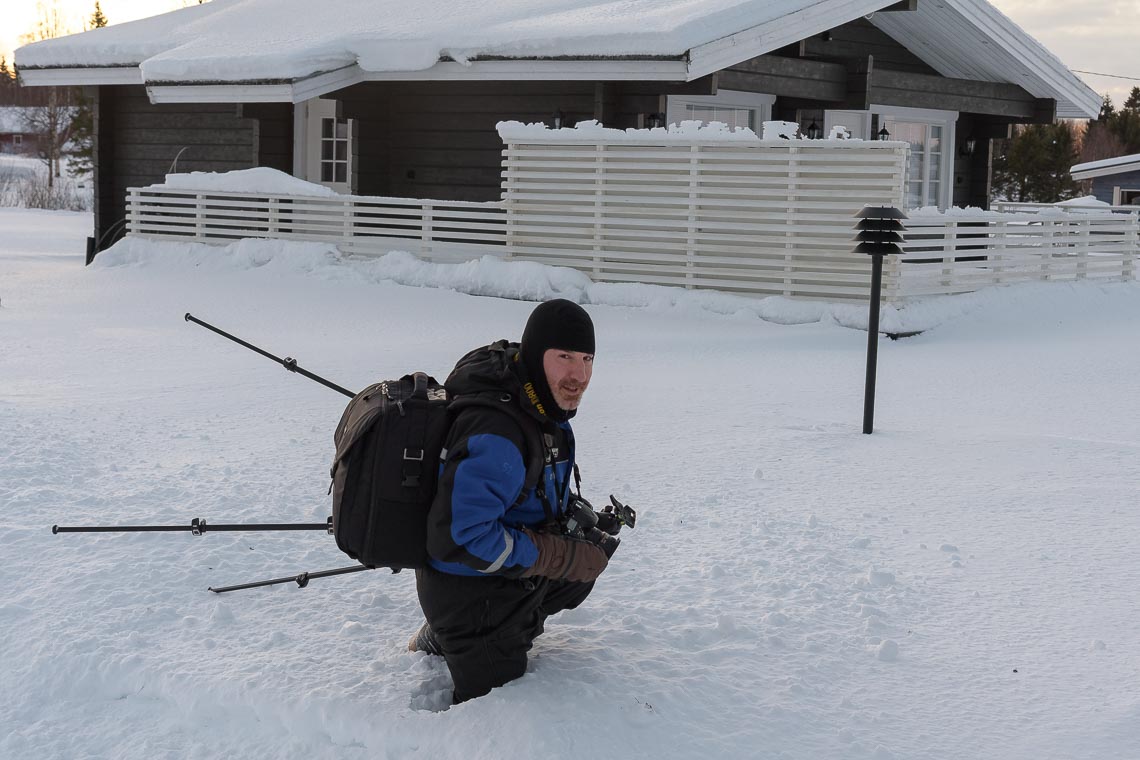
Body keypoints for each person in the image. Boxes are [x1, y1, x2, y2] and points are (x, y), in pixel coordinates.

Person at [409, 298, 611, 703]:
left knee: (585, 563)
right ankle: (454, 637)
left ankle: (507, 628)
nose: (580, 375)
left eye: (587, 358)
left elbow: (531, 486)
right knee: (497, 704)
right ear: (537, 356)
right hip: (467, 589)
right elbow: (459, 537)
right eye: (565, 357)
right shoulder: (499, 434)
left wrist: (572, 530)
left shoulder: (535, 399)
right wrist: (557, 554)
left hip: (493, 578)